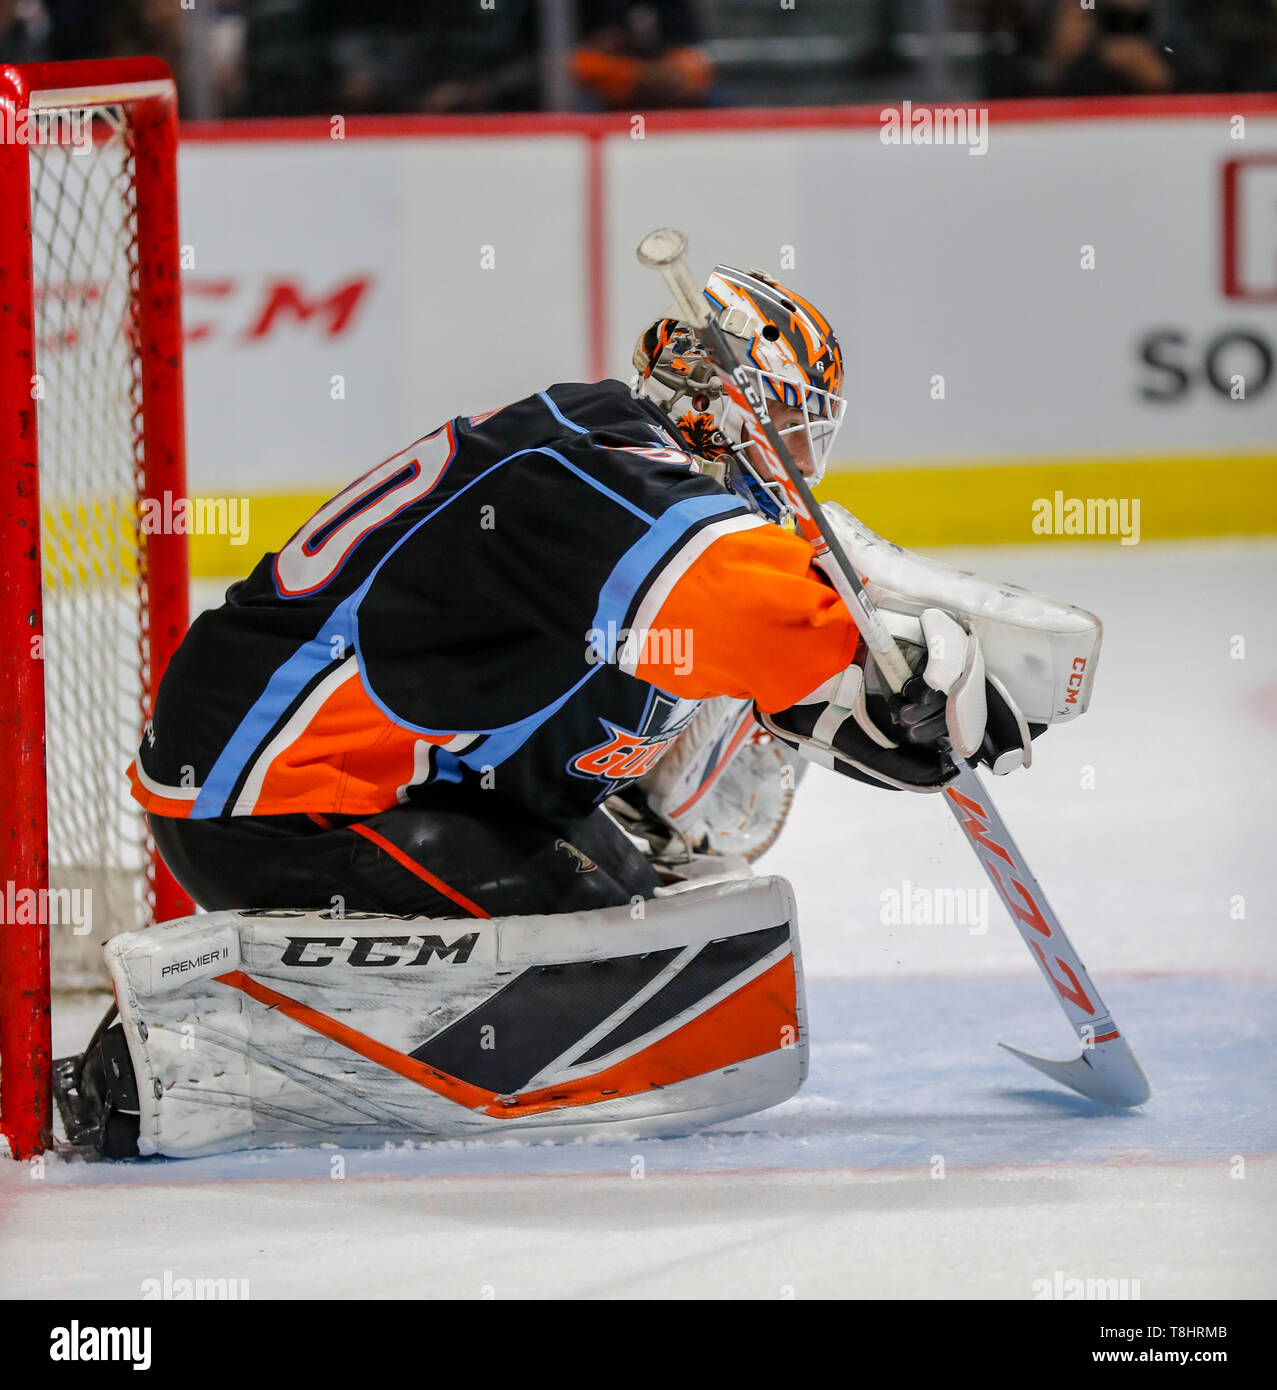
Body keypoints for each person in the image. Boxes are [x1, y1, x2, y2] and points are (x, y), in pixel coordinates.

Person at [71, 265, 1085, 1158]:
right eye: (785, 427)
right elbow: (761, 609)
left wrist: (906, 684)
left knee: (635, 894)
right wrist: (890, 685)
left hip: (355, 768)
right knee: (608, 958)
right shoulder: (600, 473)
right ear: (722, 407)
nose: (796, 463)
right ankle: (175, 1054)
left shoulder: (610, 457)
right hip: (270, 795)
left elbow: (764, 615)